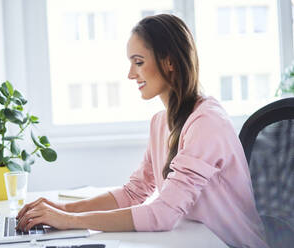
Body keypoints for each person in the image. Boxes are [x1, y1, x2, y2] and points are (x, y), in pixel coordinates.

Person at [16, 14, 269, 248]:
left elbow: (163, 214)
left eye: (138, 62)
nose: (130, 74)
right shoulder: (160, 123)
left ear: (169, 61)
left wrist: (68, 221)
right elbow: (133, 193)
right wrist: (63, 210)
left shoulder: (206, 122)